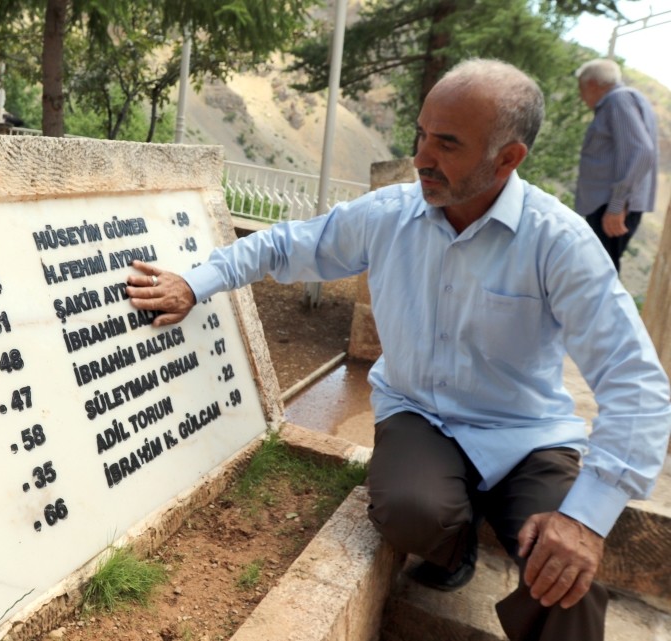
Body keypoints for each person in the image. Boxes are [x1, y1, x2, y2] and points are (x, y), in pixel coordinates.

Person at [125, 59, 671, 641]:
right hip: (418, 414)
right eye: (421, 135)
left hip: (525, 435)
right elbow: (285, 247)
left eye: (448, 144)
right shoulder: (390, 215)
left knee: (565, 580)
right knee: (409, 508)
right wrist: (194, 282)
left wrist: (586, 517)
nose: (421, 159)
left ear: (508, 158)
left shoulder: (558, 242)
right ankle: (453, 553)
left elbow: (634, 383)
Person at [575, 58, 659, 273]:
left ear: (592, 84)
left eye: (581, 88)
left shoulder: (617, 101)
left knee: (599, 273)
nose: (581, 96)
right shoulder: (628, 99)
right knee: (599, 271)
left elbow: (641, 151)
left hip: (610, 206)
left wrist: (616, 205)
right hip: (612, 204)